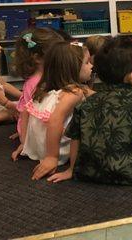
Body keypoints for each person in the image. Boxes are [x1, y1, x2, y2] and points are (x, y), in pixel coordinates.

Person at [48, 37, 132, 185]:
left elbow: (75, 137)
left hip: (88, 172)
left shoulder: (88, 100)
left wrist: (72, 170)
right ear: (131, 76)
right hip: (129, 171)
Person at [24, 41, 93, 180]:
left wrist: (24, 142)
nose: (92, 66)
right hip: (56, 149)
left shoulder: (43, 88)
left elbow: (25, 112)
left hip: (39, 146)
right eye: (87, 62)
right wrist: (51, 156)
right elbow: (55, 120)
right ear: (73, 68)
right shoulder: (75, 92)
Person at [11, 28, 64, 160]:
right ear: (38, 58)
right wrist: (25, 142)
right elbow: (27, 114)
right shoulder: (37, 84)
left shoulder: (44, 77)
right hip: (34, 130)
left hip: (32, 124)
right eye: (56, 55)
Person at [0, 28, 21, 127]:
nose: (0, 47)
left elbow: (4, 84)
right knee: (13, 113)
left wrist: (22, 95)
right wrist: (7, 104)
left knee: (18, 106)